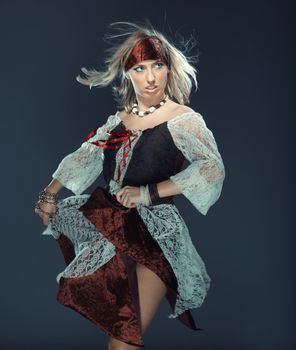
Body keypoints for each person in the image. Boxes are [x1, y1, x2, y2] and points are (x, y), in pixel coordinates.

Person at [35, 21, 226, 350]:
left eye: (157, 66)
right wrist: (49, 194)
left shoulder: (183, 119)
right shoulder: (120, 121)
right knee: (119, 339)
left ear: (168, 69)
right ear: (128, 74)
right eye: (140, 68)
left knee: (123, 343)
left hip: (155, 237)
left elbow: (212, 169)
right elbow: (87, 155)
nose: (151, 77)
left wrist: (147, 193)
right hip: (112, 229)